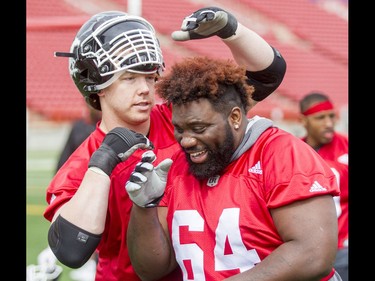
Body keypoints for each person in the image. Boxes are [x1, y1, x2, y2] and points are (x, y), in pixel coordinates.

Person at [43, 6, 287, 281]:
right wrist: (103, 164)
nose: (145, 89)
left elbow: (267, 75)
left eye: (149, 76)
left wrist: (231, 30)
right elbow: (72, 250)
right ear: (96, 85)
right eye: (129, 78)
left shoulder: (179, 120)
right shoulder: (82, 163)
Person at [125, 56, 342, 280]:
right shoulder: (176, 166)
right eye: (179, 129)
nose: (186, 140)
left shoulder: (281, 154)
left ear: (235, 117)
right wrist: (144, 207)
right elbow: (150, 270)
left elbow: (314, 254)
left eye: (198, 128)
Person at [299, 92, 348, 281]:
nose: (328, 123)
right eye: (320, 118)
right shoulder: (295, 152)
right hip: (308, 248)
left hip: (343, 248)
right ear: (304, 121)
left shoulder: (346, 147)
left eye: (331, 116)